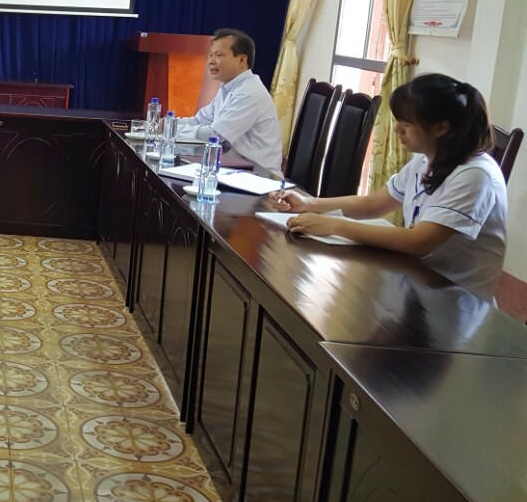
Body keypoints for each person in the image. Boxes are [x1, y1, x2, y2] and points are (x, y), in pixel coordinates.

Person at [272, 74, 507, 304]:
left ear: (440, 128)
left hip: (456, 301)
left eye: (406, 124)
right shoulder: (426, 160)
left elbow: (418, 242)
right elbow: (373, 204)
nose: (397, 130)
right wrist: (309, 203)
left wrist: (334, 225)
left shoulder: (476, 175)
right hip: (417, 283)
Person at [182, 29, 282, 173]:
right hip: (234, 168)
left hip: (257, 177)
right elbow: (199, 120)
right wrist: (166, 125)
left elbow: (215, 136)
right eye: (210, 55)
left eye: (219, 55)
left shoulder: (249, 93)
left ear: (242, 60)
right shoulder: (228, 88)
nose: (211, 61)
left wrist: (171, 132)